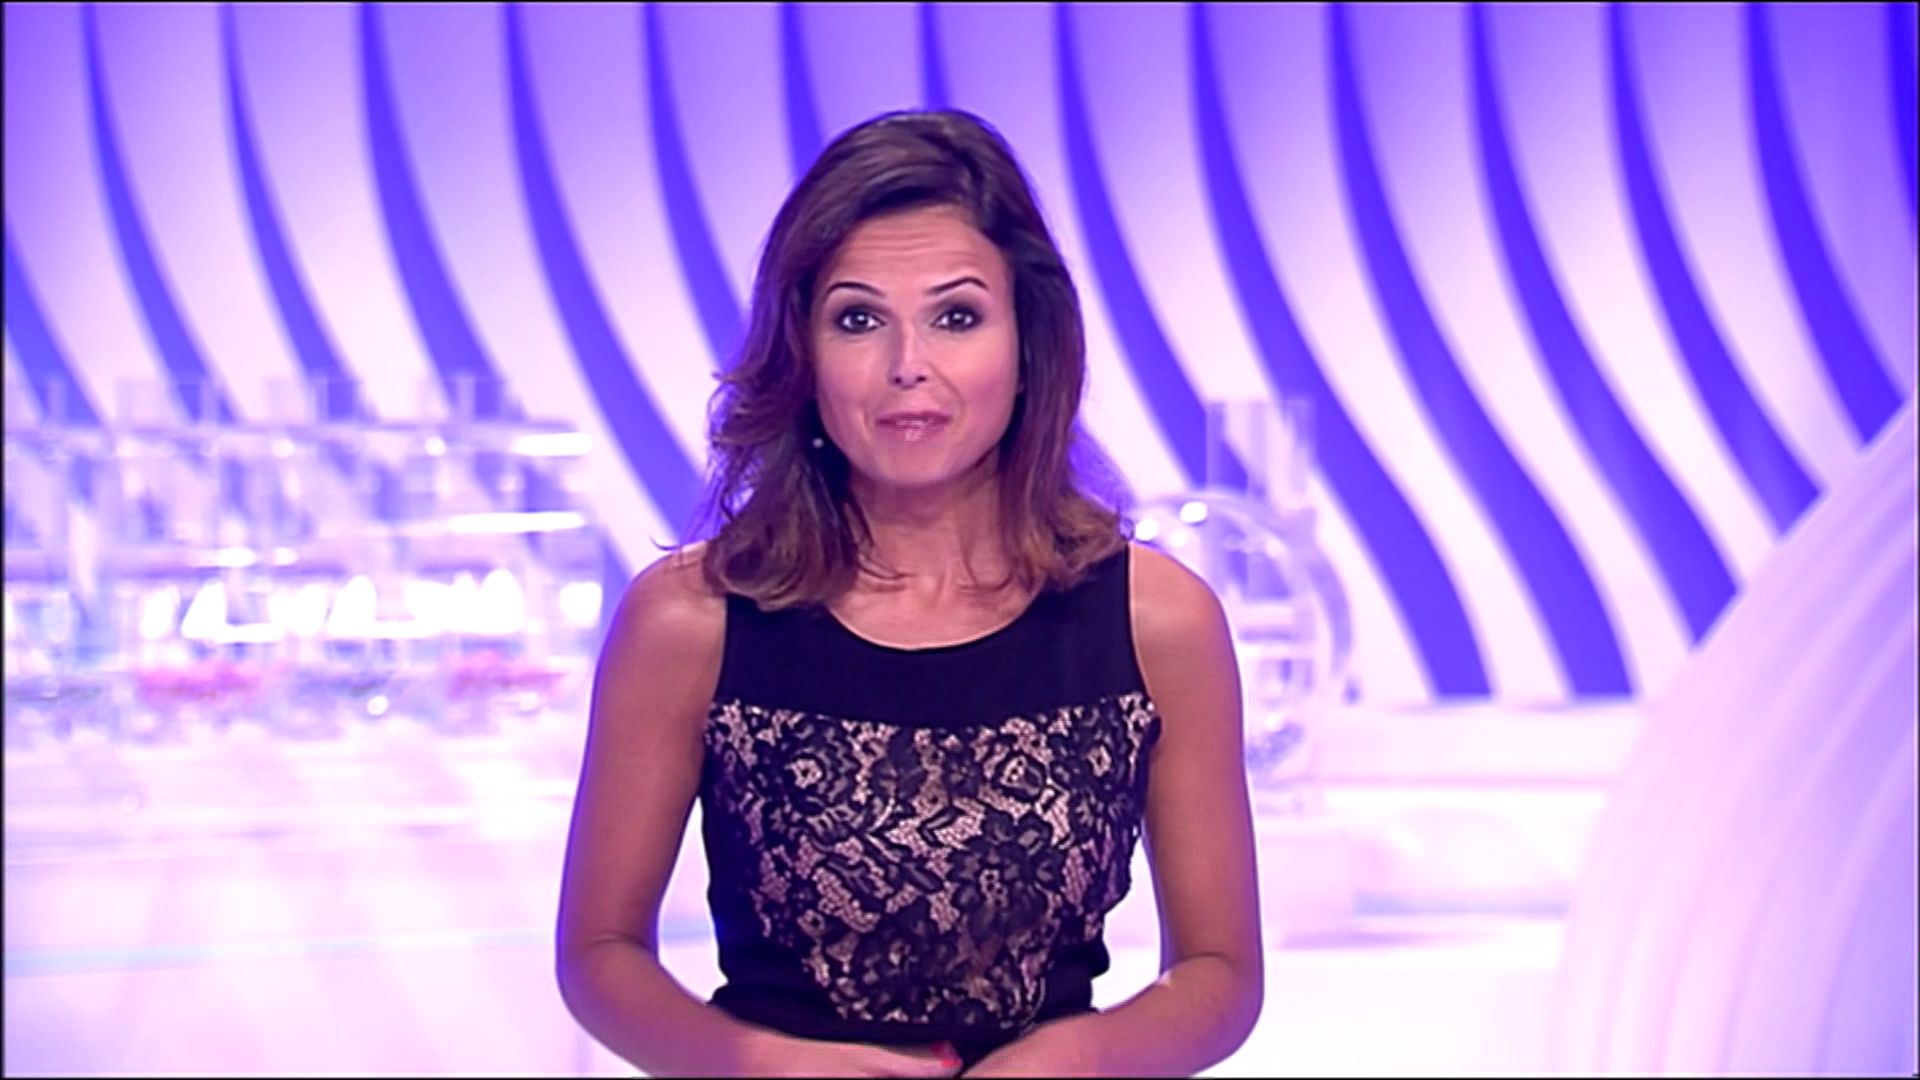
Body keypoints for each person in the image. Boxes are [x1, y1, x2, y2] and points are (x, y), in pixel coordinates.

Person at [555, 108, 1262, 1077]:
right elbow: (599, 956)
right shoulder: (691, 620)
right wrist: (768, 1066)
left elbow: (1221, 973)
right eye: (858, 320)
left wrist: (1080, 1059)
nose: (907, 367)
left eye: (956, 317)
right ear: (802, 353)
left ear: (1029, 344)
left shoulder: (1159, 622)